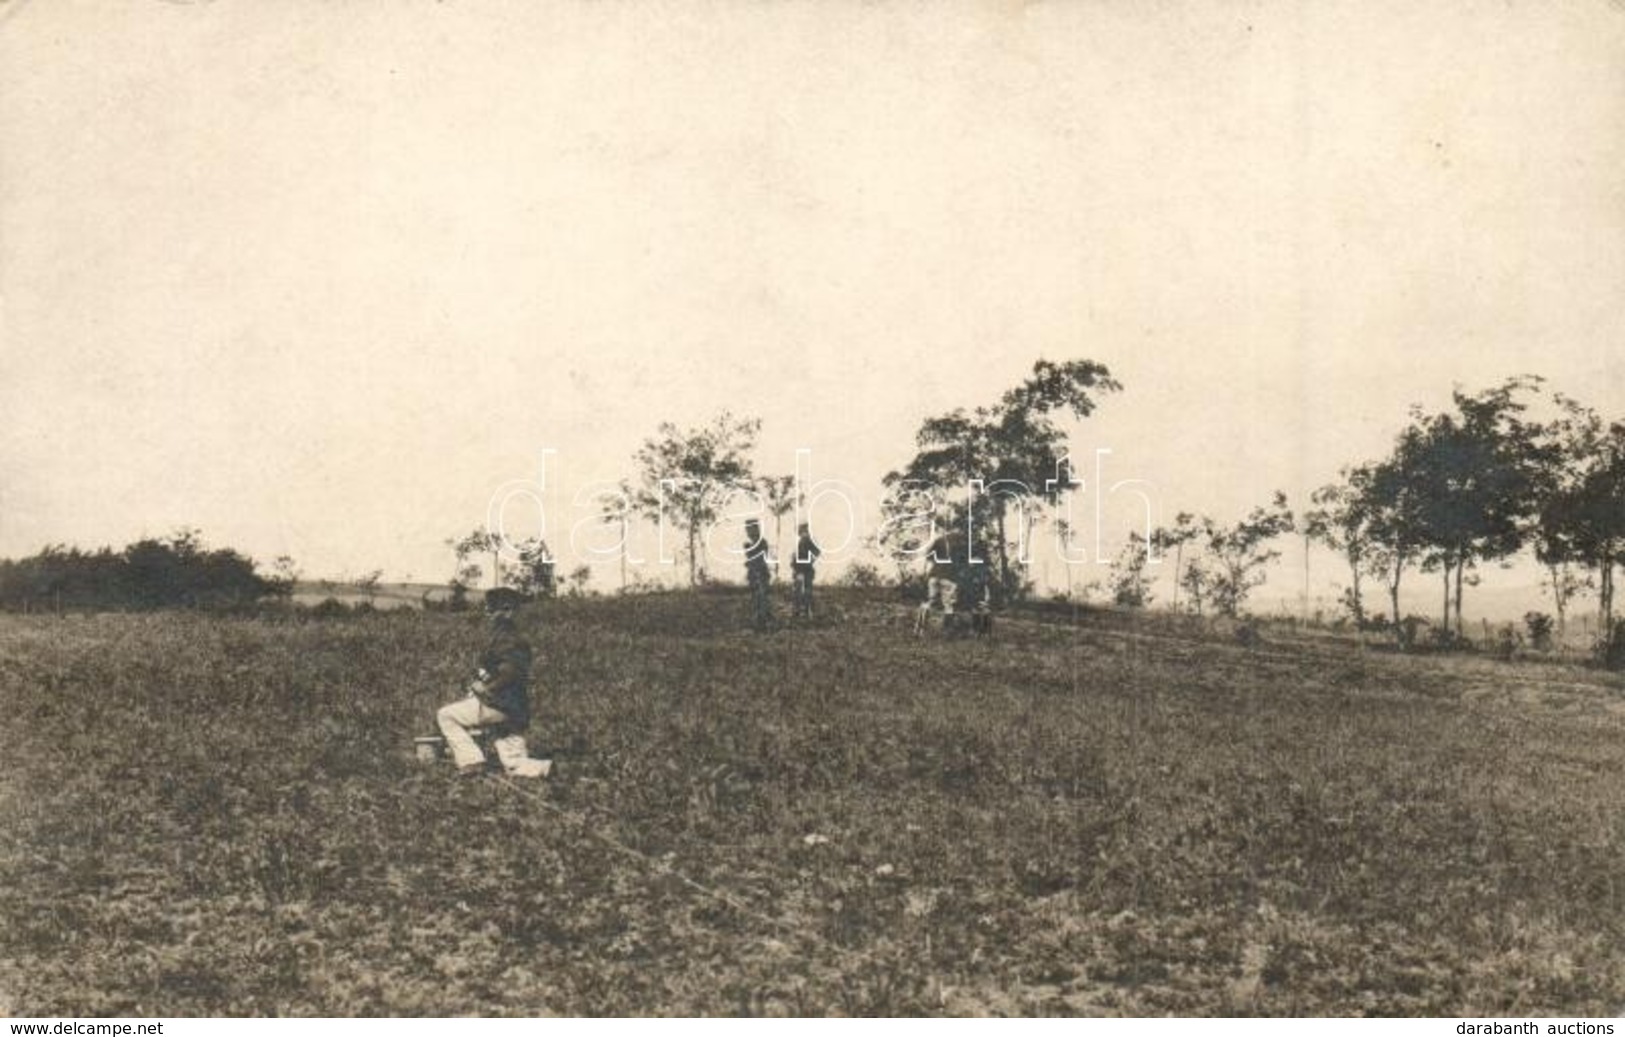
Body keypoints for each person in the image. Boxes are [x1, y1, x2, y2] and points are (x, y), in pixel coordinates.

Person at [436, 587, 551, 778]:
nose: (486, 613)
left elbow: (510, 673)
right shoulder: (510, 636)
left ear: (506, 610)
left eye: (490, 609)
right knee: (514, 766)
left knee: (446, 715)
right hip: (515, 709)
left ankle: (471, 762)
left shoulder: (506, 638)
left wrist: (486, 688)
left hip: (500, 704)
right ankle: (548, 769)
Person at [915, 528, 962, 635]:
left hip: (934, 574)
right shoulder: (960, 541)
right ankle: (947, 632)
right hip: (949, 576)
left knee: (929, 602)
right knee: (948, 605)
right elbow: (962, 561)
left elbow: (928, 556)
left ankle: (920, 629)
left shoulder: (939, 540)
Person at [744, 518, 773, 631]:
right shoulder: (755, 543)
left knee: (761, 599)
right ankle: (760, 622)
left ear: (755, 529)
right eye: (747, 529)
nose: (747, 532)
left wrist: (749, 552)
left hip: (760, 575)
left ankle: (763, 623)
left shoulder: (761, 542)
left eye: (749, 529)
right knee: (756, 599)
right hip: (755, 575)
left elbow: (758, 559)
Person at [790, 522, 821, 619]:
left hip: (804, 570)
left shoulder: (807, 540)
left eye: (801, 530)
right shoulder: (803, 541)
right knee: (801, 590)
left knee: (803, 591)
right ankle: (802, 611)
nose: (800, 532)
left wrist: (809, 560)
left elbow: (816, 552)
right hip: (801, 569)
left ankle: (804, 612)